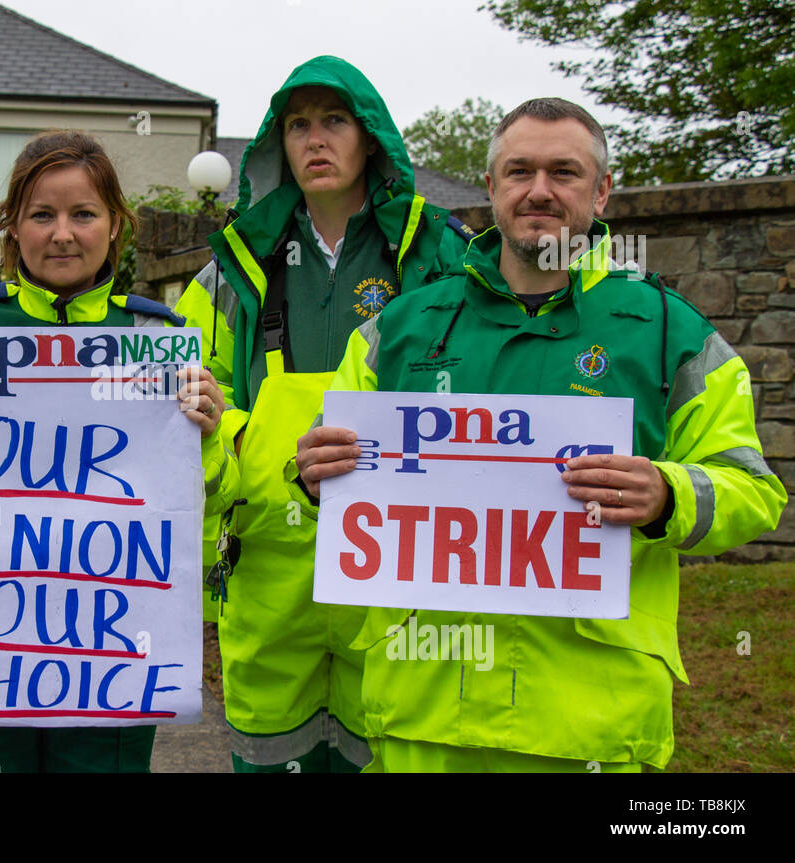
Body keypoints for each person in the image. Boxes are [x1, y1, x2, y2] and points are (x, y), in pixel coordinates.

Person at [296, 98, 787, 772]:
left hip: (590, 726)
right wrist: (316, 472)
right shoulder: (399, 329)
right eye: (519, 171)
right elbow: (331, 471)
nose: (540, 191)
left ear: (602, 189)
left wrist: (667, 493)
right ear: (491, 188)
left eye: (565, 172)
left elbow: (753, 490)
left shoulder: (671, 331)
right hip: (421, 717)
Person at [0, 130, 226, 773]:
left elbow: (215, 499)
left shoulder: (159, 339)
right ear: (12, 227)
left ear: (116, 226)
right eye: (42, 214)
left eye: (83, 214)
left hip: (109, 655)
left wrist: (208, 435)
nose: (63, 233)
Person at [172, 55, 474, 772]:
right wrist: (234, 430)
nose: (315, 139)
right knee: (271, 746)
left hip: (401, 554)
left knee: (395, 742)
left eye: (334, 121)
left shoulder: (441, 252)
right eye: (298, 125)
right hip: (272, 563)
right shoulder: (235, 262)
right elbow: (184, 381)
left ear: (369, 136)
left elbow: (489, 373)